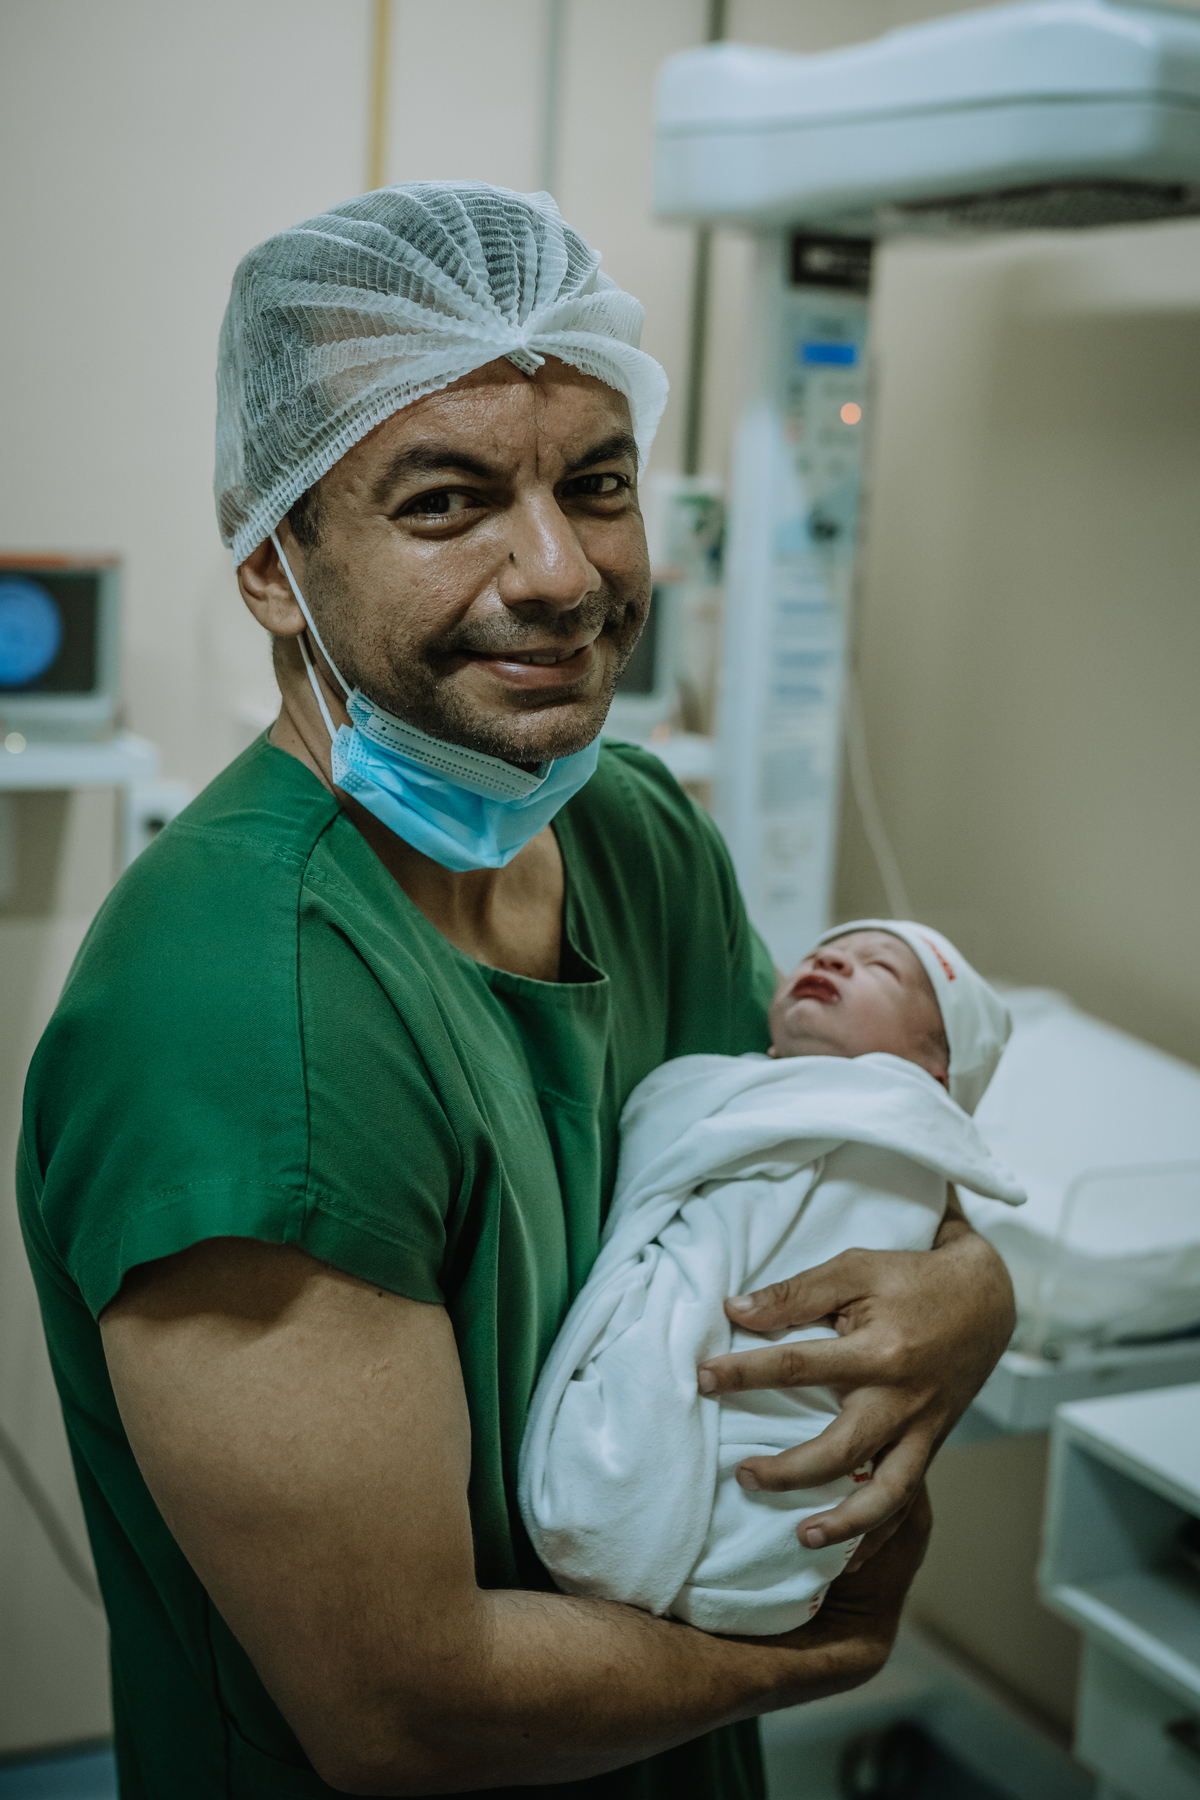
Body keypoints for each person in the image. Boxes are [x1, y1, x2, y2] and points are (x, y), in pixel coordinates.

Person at [18, 184, 1014, 1800]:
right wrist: (826, 1655)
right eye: (446, 501)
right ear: (272, 562)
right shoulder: (235, 1016)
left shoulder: (639, 834)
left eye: (597, 484)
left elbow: (808, 1167)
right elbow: (405, 1710)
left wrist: (974, 1287)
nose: (558, 572)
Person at [521, 923, 1025, 1636]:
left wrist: (986, 1292)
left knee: (774, 1435)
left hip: (779, 1372)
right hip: (699, 1312)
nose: (832, 957)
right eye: (823, 951)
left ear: (934, 1064)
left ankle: (712, 1533)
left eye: (881, 968)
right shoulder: (715, 1085)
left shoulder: (898, 1124)